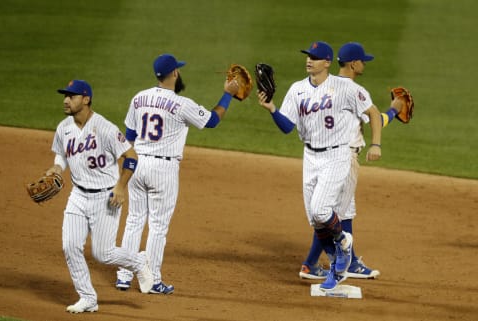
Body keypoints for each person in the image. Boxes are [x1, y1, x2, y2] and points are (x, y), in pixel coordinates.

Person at [257, 41, 383, 290]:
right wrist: (271, 108)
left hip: (337, 156)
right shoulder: (296, 90)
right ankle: (338, 261)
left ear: (327, 62)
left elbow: (373, 113)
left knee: (321, 210)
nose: (309, 60)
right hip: (310, 158)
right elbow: (287, 127)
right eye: (307, 56)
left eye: (314, 57)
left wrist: (376, 144)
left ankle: (342, 246)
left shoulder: (345, 88)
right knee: (316, 220)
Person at [116, 54, 240, 294]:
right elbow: (213, 120)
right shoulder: (182, 104)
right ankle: (151, 280)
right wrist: (228, 93)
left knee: (134, 220)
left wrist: (126, 168)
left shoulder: (139, 98)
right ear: (174, 73)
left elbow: (128, 136)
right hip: (163, 169)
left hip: (137, 163)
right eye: (178, 70)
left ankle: (123, 276)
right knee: (158, 226)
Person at [46, 80, 154, 313]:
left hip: (106, 198)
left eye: (71, 96)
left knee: (102, 254)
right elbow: (61, 156)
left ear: (86, 99)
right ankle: (88, 298)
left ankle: (139, 262)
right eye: (65, 95)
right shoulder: (63, 127)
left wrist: (122, 186)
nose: (66, 100)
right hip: (77, 196)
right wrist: (56, 168)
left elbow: (131, 157)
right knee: (70, 245)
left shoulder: (104, 128)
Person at [298, 42, 405, 281]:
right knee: (329, 212)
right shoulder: (351, 90)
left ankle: (352, 261)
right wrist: (394, 111)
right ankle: (310, 263)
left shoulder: (329, 86)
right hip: (342, 158)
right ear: (354, 63)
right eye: (363, 61)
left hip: (322, 155)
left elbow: (370, 120)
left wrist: (391, 113)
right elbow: (374, 118)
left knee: (344, 212)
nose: (364, 64)